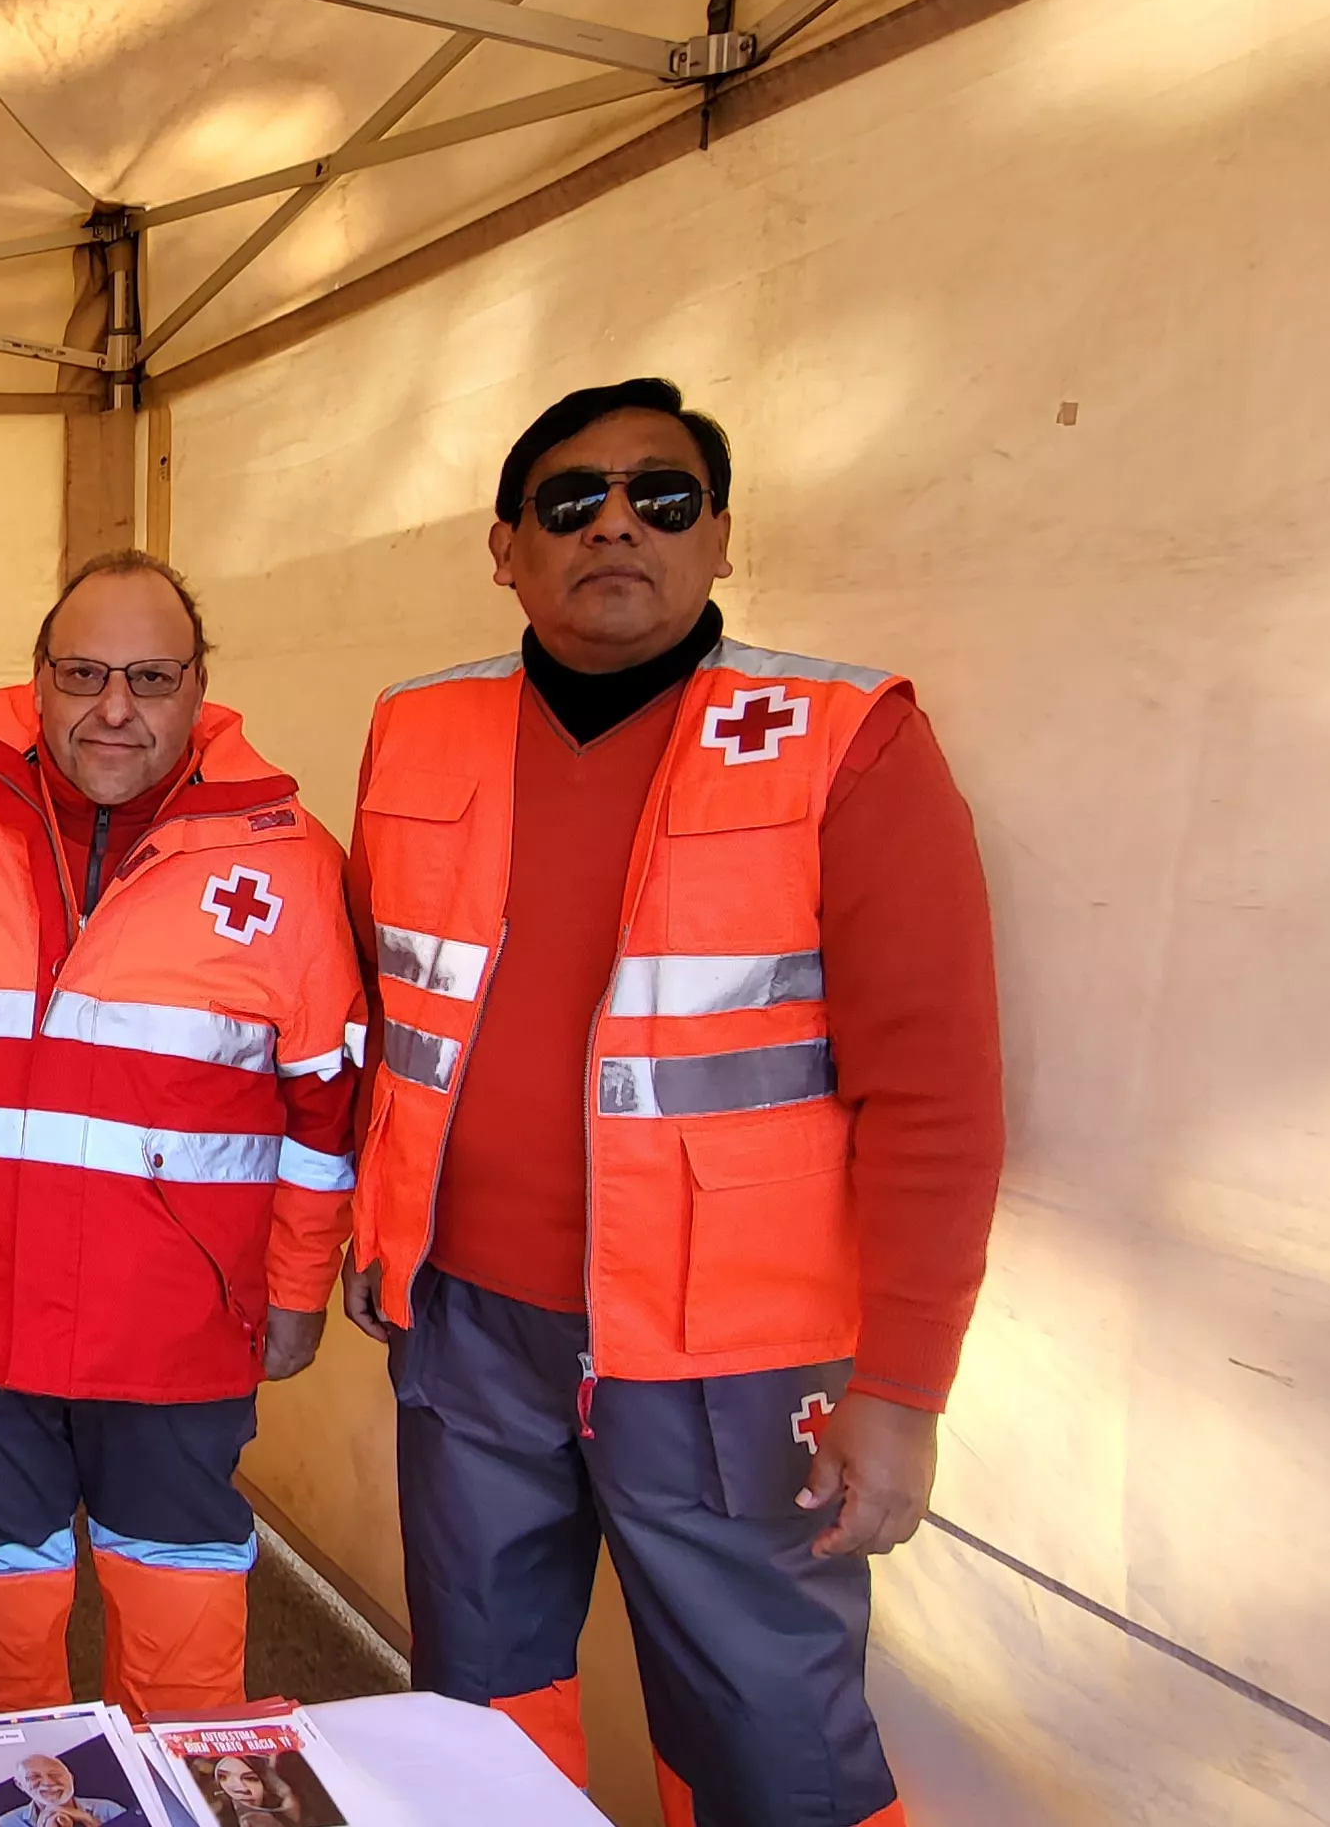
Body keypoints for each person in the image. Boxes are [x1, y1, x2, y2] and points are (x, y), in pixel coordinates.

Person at [345, 380, 999, 1827]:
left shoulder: (847, 738)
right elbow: (378, 1017)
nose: (617, 525)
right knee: (478, 1715)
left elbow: (937, 1096)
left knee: (771, 1741)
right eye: (571, 502)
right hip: (469, 1332)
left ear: (718, 538)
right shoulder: (417, 730)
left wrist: (902, 1392)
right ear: (505, 546)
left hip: (734, 1362)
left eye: (662, 496)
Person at [0, 553, 365, 1725]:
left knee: (182, 1628)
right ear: (34, 680)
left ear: (199, 689)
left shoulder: (286, 858)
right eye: (83, 673)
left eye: (149, 676)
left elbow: (321, 1116)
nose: (115, 707)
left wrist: (296, 1292)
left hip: (177, 1326)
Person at [0, 1752, 133, 1827]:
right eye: (34, 1777)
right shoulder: (7, 1824)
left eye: (55, 1775)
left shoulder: (108, 1810)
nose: (48, 1783)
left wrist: (89, 1820)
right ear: (20, 1785)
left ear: (71, 1777)